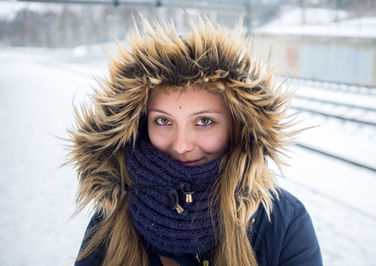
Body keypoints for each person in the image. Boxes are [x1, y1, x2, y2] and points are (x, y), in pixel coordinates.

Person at [69, 18, 322, 266]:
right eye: (163, 121)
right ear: (141, 125)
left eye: (204, 121)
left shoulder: (281, 223)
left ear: (237, 127)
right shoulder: (112, 218)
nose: (181, 145)